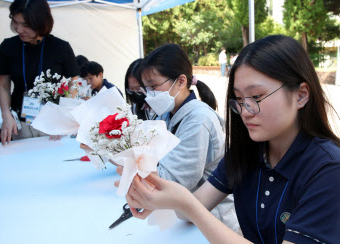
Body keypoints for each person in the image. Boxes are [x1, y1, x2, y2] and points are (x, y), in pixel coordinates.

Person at [124, 35, 340, 244]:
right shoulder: (248, 152)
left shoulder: (328, 169)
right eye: (238, 99)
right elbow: (188, 210)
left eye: (256, 97)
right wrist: (158, 193)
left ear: (300, 95)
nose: (245, 111)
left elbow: (191, 208)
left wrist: (187, 204)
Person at [131, 43, 239, 231]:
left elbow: (171, 180)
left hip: (211, 220)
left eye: (154, 86)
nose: (149, 95)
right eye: (146, 89)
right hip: (184, 215)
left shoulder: (198, 120)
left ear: (181, 81)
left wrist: (126, 157)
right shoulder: (166, 113)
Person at [0, 0, 80, 145]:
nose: (19, 29)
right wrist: (6, 115)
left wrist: (63, 114)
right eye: (15, 22)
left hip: (52, 124)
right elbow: (3, 85)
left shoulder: (60, 48)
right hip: (20, 122)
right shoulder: (8, 47)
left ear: (41, 23)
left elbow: (74, 81)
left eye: (26, 25)